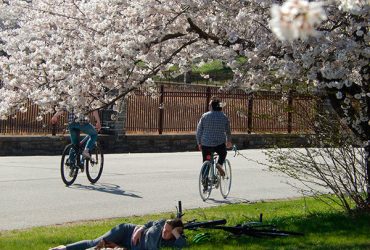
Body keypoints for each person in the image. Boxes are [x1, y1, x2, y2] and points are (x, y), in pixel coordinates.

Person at [49, 218, 186, 250]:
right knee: (96, 243)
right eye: (164, 229)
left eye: (168, 231)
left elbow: (183, 244)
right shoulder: (162, 223)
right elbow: (150, 223)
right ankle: (64, 248)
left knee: (102, 248)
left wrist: (175, 232)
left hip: (129, 245)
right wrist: (140, 229)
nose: (164, 232)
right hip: (126, 231)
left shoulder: (171, 241)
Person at [196, 98, 232, 178]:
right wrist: (229, 141)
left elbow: (199, 131)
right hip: (219, 144)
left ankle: (204, 181)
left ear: (212, 106)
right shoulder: (224, 117)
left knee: (206, 160)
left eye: (209, 105)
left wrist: (199, 142)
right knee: (223, 153)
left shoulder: (205, 116)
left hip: (206, 144)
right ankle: (219, 164)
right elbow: (228, 131)